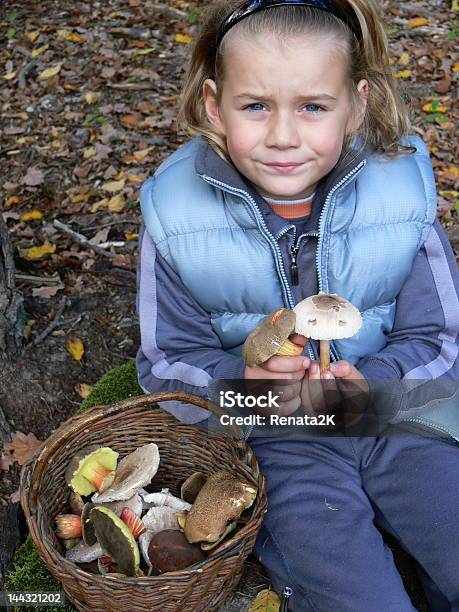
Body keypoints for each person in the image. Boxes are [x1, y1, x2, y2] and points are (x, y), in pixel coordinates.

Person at [136, 1, 459, 609]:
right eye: (255, 106)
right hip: (280, 437)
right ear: (214, 103)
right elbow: (167, 363)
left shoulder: (401, 196)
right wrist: (248, 385)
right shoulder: (175, 217)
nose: (283, 136)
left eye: (313, 106)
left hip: (401, 420)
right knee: (356, 594)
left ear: (357, 104)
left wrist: (374, 383)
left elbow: (442, 340)